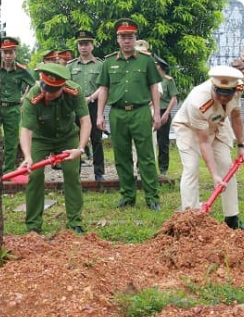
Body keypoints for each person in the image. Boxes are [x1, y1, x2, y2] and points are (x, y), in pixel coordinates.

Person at [172, 65, 244, 229]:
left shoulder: (238, 89)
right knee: (191, 168)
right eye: (218, 94)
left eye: (226, 95)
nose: (222, 98)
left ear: (234, 90)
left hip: (217, 125)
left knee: (226, 166)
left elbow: (236, 116)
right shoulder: (198, 102)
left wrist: (242, 145)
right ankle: (190, 217)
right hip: (189, 129)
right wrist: (214, 175)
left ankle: (232, 218)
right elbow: (204, 142)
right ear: (213, 87)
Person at [96, 18, 162, 209]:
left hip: (140, 112)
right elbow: (103, 89)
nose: (127, 41)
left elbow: (154, 87)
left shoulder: (146, 61)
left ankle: (152, 197)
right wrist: (100, 115)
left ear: (135, 38)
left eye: (130, 37)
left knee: (146, 156)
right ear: (117, 39)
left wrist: (157, 113)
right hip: (117, 114)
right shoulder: (108, 63)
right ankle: (127, 195)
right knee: (122, 155)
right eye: (123, 37)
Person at [19, 63, 91, 233]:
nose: (47, 94)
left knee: (72, 173)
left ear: (62, 87)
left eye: (52, 91)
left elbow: (85, 121)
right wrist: (27, 156)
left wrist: (80, 149)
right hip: (40, 138)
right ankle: (33, 225)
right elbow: (26, 130)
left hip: (67, 137)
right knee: (34, 175)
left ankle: (75, 222)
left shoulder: (74, 92)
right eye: (45, 88)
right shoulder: (33, 96)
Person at [67, 29, 105, 181]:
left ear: (92, 46)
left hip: (93, 105)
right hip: (74, 106)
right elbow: (65, 84)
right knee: (75, 139)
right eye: (81, 44)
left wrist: (89, 98)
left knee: (96, 138)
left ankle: (99, 172)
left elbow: (103, 87)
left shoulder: (100, 65)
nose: (83, 47)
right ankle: (75, 171)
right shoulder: (70, 66)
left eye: (86, 44)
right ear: (77, 46)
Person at [0, 37, 36, 174]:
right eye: (5, 52)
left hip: (13, 109)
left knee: (11, 141)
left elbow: (34, 85)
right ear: (1, 53)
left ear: (16, 53)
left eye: (11, 52)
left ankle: (8, 169)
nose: (8, 56)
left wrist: (25, 98)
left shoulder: (22, 70)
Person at [155, 56, 179, 177]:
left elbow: (173, 98)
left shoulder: (168, 80)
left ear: (159, 67)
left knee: (162, 142)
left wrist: (166, 114)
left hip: (163, 111)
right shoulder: (150, 80)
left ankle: (163, 169)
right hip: (150, 111)